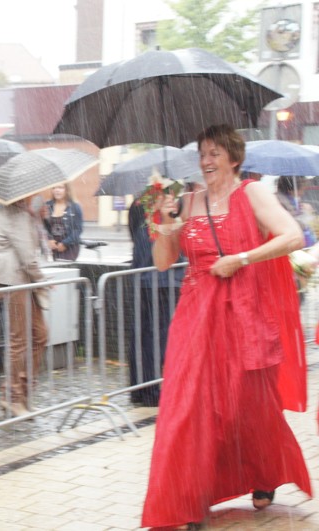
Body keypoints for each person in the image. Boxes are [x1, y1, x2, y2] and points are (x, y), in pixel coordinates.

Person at [142, 124, 312, 529]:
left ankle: (264, 470)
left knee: (249, 405)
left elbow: (293, 236)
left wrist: (242, 258)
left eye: (214, 153)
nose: (206, 161)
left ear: (234, 158)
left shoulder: (251, 193)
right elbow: (163, 262)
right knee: (187, 405)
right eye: (202, 153)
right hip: (195, 315)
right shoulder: (188, 200)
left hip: (244, 313)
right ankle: (187, 498)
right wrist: (164, 220)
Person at [0, 195, 49, 418]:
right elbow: (28, 257)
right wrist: (43, 280)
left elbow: (31, 249)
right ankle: (13, 396)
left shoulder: (22, 214)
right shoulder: (14, 214)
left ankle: (23, 391)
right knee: (19, 340)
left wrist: (36, 218)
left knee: (40, 335)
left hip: (24, 281)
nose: (35, 196)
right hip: (15, 281)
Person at [126, 199, 184, 407]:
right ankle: (150, 390)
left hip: (147, 279)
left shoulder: (139, 205)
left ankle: (140, 388)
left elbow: (135, 235)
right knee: (156, 338)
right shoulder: (165, 207)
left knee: (144, 336)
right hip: (163, 279)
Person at [43, 181, 82, 261]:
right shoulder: (47, 205)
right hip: (52, 247)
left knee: (65, 267)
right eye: (54, 188)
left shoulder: (75, 206)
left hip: (69, 247)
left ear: (67, 190)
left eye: (60, 187)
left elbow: (78, 230)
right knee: (53, 268)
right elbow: (44, 226)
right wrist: (49, 239)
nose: (56, 190)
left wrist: (65, 243)